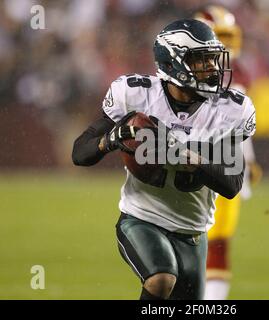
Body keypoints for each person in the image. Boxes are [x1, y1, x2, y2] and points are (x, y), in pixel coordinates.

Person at [72, 18, 256, 300]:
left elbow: (232, 184)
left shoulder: (228, 110)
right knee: (161, 279)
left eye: (213, 59)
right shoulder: (137, 95)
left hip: (193, 232)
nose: (213, 68)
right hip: (142, 218)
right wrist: (110, 140)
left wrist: (189, 158)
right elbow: (80, 152)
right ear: (173, 63)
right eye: (201, 60)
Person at [194, 5, 262, 300]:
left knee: (219, 240)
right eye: (220, 36)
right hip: (195, 163)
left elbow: (240, 127)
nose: (228, 44)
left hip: (225, 161)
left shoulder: (236, 75)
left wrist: (249, 159)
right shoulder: (182, 77)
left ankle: (211, 300)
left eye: (228, 35)